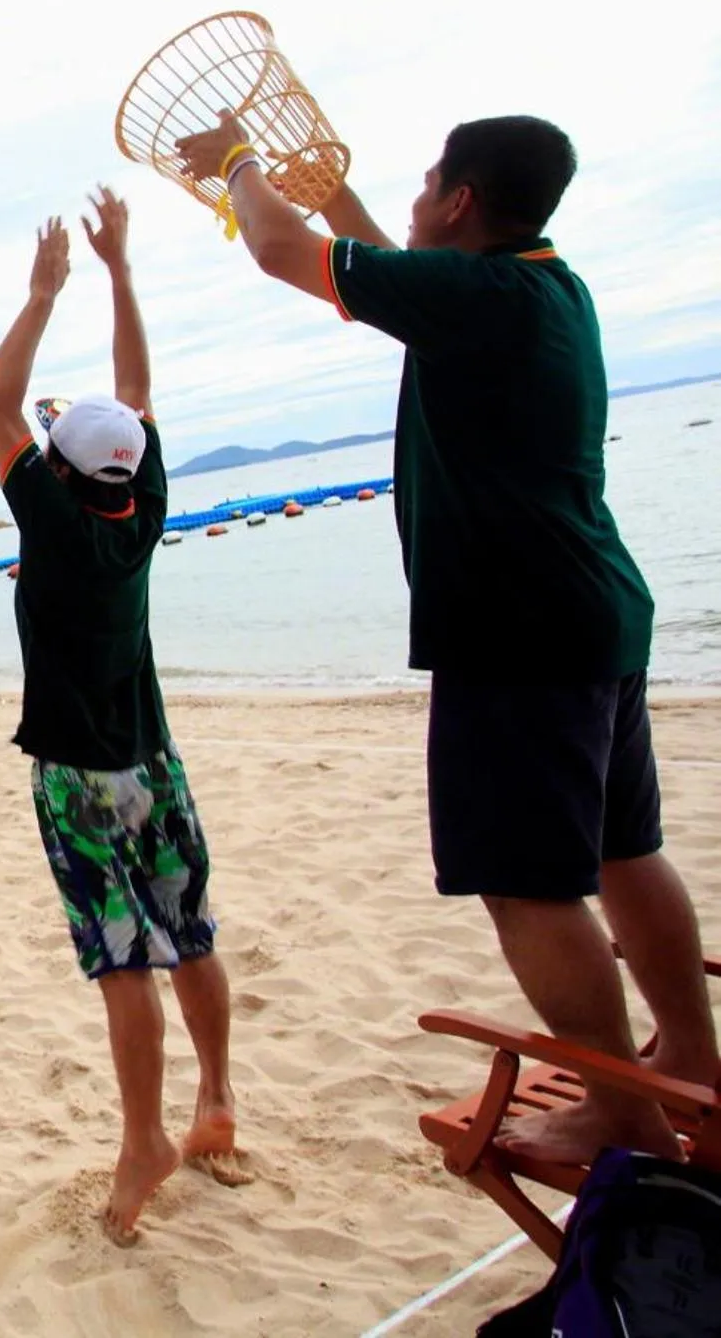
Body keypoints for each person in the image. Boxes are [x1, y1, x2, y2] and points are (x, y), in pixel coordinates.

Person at [175, 111, 717, 1164]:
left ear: (461, 201)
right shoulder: (542, 287)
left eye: (428, 184)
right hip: (597, 610)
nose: (415, 199)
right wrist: (334, 193)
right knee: (623, 848)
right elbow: (373, 272)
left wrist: (239, 164)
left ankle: (624, 1112)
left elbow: (286, 254)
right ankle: (694, 1054)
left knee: (528, 883)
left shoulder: (478, 298)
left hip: (514, 632)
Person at [0, 197, 246, 1246]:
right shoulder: (140, 506)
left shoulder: (51, 522)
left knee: (124, 959)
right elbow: (132, 398)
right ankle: (215, 1094)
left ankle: (146, 1137)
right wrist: (122, 272)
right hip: (156, 761)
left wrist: (47, 291)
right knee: (192, 933)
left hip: (78, 776)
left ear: (59, 472)